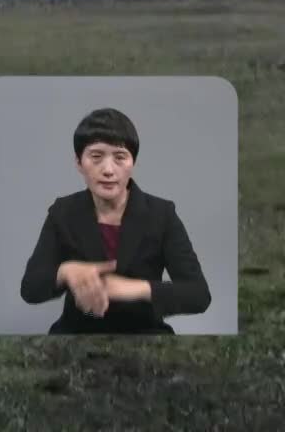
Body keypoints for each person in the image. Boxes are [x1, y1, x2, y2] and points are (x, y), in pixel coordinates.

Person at [18, 107, 211, 333]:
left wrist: (130, 288)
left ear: (133, 163)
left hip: (144, 335)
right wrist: (66, 272)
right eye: (96, 157)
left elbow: (198, 294)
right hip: (77, 333)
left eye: (120, 157)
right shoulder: (63, 212)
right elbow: (30, 289)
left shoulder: (162, 214)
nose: (108, 170)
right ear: (79, 163)